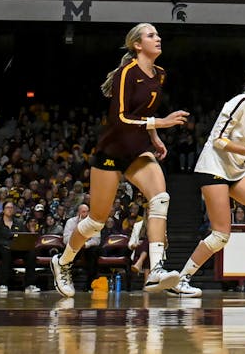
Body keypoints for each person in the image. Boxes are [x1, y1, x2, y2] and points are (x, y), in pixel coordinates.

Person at [150, 48, 245, 298]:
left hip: (235, 169)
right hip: (213, 167)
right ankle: (182, 279)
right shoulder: (240, 102)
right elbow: (219, 140)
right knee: (221, 234)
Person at [49, 23, 189, 297]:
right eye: (151, 35)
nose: (158, 38)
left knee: (160, 198)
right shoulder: (126, 74)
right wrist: (161, 123)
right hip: (112, 151)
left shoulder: (160, 74)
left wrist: (155, 137)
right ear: (137, 45)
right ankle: (62, 261)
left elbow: (143, 112)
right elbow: (121, 118)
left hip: (138, 150)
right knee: (96, 222)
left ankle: (157, 268)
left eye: (158, 35)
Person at [0, 200, 39, 293]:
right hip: (1, 249)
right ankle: (3, 284)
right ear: (3, 210)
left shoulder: (19, 222)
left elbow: (23, 236)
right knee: (6, 252)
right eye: (7, 208)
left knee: (31, 253)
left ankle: (30, 285)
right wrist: (8, 243)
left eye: (11, 208)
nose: (10, 210)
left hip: (17, 248)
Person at [60, 204, 100, 291]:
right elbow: (66, 239)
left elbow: (97, 240)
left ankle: (90, 284)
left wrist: (86, 244)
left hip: (87, 247)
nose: (86, 214)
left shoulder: (94, 223)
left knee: (94, 252)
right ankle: (66, 282)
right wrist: (77, 242)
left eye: (87, 212)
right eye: (83, 212)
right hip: (74, 246)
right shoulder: (71, 222)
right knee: (68, 252)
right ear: (78, 213)